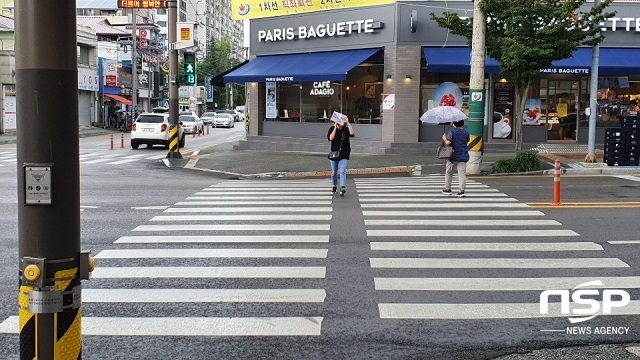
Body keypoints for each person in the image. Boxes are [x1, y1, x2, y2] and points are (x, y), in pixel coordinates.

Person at [442, 119, 470, 197]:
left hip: (452, 156)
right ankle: (461, 191)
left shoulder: (452, 131)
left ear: (454, 124)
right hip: (463, 155)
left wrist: (444, 138)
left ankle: (447, 189)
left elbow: (448, 142)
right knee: (462, 174)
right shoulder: (466, 132)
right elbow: (467, 141)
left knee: (449, 172)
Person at [328, 117, 355, 196]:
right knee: (334, 173)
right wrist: (335, 128)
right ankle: (334, 185)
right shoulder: (332, 128)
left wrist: (348, 123)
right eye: (338, 123)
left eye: (341, 123)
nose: (340, 124)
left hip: (344, 153)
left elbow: (352, 133)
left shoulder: (346, 129)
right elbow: (330, 138)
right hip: (334, 154)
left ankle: (342, 187)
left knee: (342, 170)